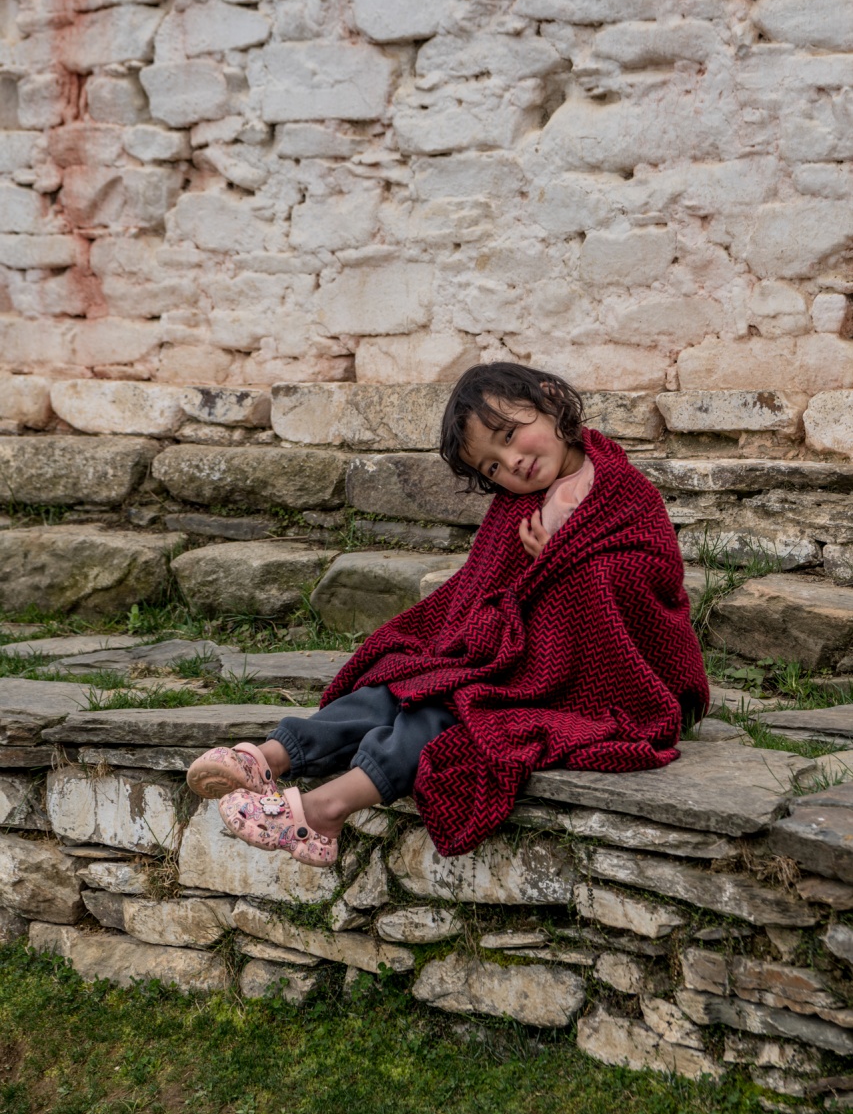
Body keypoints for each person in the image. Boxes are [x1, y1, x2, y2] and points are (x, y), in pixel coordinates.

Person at [186, 362, 708, 866]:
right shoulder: (517, 507)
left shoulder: (622, 491)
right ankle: (270, 757)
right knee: (399, 682)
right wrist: (476, 636)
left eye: (509, 435)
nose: (512, 463)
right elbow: (483, 588)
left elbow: (644, 578)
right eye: (492, 467)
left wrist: (560, 563)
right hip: (504, 652)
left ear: (550, 401)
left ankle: (325, 810)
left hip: (578, 677)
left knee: (445, 712)